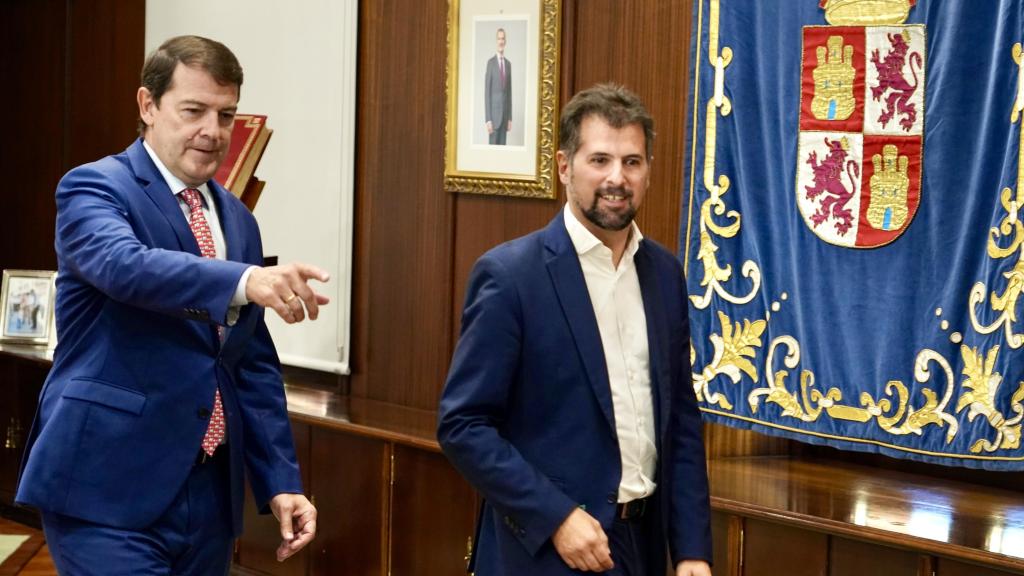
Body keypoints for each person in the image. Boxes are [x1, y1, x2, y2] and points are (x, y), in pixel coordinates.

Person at [16, 35, 327, 575]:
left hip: (208, 499)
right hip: (104, 488)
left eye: (226, 115)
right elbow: (125, 267)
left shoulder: (237, 220)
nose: (213, 131)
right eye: (194, 110)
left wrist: (281, 482)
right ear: (147, 105)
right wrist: (247, 280)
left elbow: (249, 364)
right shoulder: (94, 188)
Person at [438, 84, 713, 575]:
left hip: (643, 547)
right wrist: (556, 516)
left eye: (632, 162)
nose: (617, 178)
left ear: (649, 171)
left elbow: (681, 423)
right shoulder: (511, 276)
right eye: (600, 160)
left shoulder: (665, 274)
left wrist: (692, 549)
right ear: (565, 167)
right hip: (547, 552)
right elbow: (463, 427)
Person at [484, 27, 513, 145]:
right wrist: (488, 119)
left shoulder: (508, 64)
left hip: (505, 118)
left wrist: (510, 118)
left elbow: (509, 93)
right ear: (496, 41)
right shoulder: (490, 63)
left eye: (503, 39)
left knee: (503, 154)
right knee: (491, 155)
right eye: (499, 39)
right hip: (493, 120)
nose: (501, 41)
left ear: (505, 42)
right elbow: (487, 93)